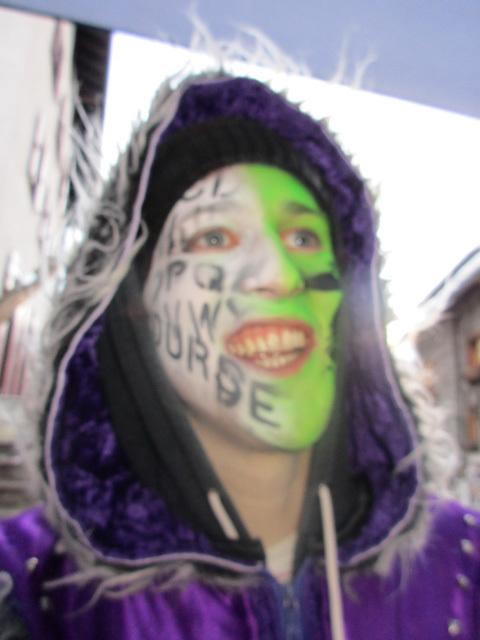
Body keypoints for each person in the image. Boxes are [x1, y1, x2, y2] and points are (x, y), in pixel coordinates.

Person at [0, 70, 479, 640]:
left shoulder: (465, 566)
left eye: (303, 238)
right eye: (214, 238)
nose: (279, 274)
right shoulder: (32, 586)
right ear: (133, 309)